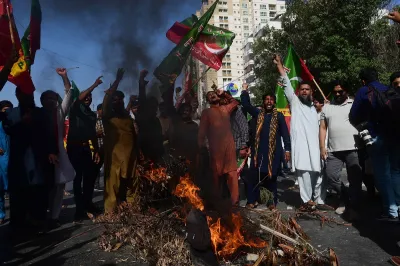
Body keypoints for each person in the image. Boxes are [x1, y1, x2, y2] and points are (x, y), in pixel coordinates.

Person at [274, 54, 325, 209]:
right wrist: (279, 65)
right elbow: (287, 84)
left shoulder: (316, 108)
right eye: (302, 89)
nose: (304, 91)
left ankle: (317, 200)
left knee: (319, 175)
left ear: (311, 92)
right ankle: (306, 200)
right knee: (304, 176)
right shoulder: (295, 103)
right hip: (302, 148)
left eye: (307, 89)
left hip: (316, 147)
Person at [5, 87, 58, 229]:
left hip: (38, 161)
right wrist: (23, 122)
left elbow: (50, 134)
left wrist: (52, 152)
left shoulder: (40, 113)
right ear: (17, 94)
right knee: (18, 195)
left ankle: (39, 222)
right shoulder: (11, 113)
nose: (29, 96)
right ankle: (17, 226)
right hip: (19, 162)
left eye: (31, 93)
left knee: (39, 192)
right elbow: (8, 130)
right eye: (25, 93)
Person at [349, 68, 396, 221]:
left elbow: (354, 115)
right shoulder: (389, 89)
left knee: (382, 174)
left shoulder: (364, 90)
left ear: (363, 80)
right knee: (396, 172)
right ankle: (398, 205)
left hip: (376, 136)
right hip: (395, 136)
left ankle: (391, 210)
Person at [241, 87, 291, 208]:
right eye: (267, 99)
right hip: (259, 153)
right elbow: (246, 105)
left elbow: (285, 134)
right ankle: (252, 201)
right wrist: (244, 91)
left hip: (274, 152)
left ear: (274, 102)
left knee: (271, 177)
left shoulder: (279, 116)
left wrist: (288, 150)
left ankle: (271, 201)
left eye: (271, 100)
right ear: (263, 102)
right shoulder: (258, 114)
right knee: (254, 177)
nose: (269, 101)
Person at [320, 81, 362, 219]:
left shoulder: (354, 104)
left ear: (346, 91)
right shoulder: (327, 107)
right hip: (333, 150)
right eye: (335, 92)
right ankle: (345, 197)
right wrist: (322, 147)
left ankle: (354, 206)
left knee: (355, 179)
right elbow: (323, 128)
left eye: (340, 91)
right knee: (331, 176)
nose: (337, 94)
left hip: (353, 148)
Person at [41, 68, 75, 229]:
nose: (50, 101)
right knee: (43, 188)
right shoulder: (36, 114)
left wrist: (64, 77)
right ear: (41, 101)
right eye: (47, 98)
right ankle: (40, 216)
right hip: (39, 156)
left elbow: (69, 94)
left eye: (53, 98)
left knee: (59, 187)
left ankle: (54, 217)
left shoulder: (59, 113)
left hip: (59, 155)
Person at [102, 68, 139, 213]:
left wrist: (138, 150)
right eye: (114, 100)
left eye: (120, 99)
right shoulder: (108, 117)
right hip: (114, 158)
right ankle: (110, 213)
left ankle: (133, 209)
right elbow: (108, 96)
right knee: (112, 185)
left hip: (131, 156)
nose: (117, 101)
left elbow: (133, 135)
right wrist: (117, 80)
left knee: (132, 184)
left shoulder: (127, 117)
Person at [67, 76, 101, 221]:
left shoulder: (92, 115)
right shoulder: (75, 109)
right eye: (86, 96)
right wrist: (93, 85)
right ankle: (79, 210)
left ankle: (88, 204)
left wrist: (97, 151)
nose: (88, 98)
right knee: (77, 178)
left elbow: (93, 134)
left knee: (89, 178)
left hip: (86, 148)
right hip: (74, 148)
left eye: (90, 97)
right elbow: (77, 97)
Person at [198, 85, 239, 205]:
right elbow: (201, 132)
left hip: (229, 149)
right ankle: (216, 204)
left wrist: (224, 94)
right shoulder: (207, 112)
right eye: (209, 96)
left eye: (213, 93)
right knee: (216, 177)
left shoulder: (225, 109)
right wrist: (201, 148)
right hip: (216, 150)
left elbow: (235, 102)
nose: (212, 95)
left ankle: (234, 202)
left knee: (232, 175)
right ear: (208, 101)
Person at [137, 70, 164, 162]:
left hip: (156, 155)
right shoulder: (142, 116)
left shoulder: (156, 120)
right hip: (144, 153)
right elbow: (141, 98)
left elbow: (160, 137)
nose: (154, 108)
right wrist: (141, 81)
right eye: (152, 106)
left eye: (155, 106)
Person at [0, 101, 12, 224]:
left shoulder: (15, 124)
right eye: (5, 110)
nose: (7, 112)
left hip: (13, 161)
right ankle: (1, 214)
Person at [95, 103, 105, 190]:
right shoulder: (95, 121)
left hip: (108, 148)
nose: (102, 111)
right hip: (99, 147)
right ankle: (96, 184)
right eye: (101, 109)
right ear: (98, 111)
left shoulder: (108, 121)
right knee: (97, 167)